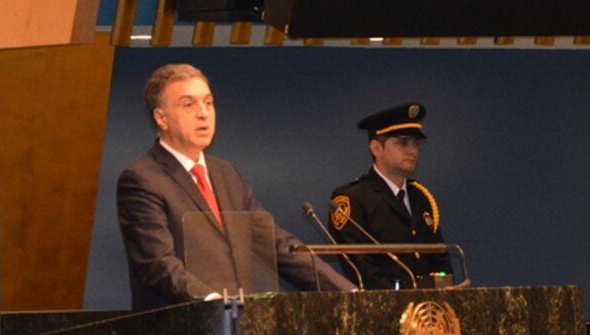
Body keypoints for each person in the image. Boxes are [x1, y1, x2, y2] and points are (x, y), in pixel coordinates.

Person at [117, 63, 356, 310]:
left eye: (208, 103)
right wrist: (212, 302)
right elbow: (158, 263)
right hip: (183, 324)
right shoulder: (142, 179)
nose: (203, 113)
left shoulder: (227, 174)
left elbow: (276, 245)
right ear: (161, 118)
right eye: (189, 105)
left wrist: (348, 293)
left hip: (238, 323)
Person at [328, 103, 452, 289]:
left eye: (415, 143)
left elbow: (440, 259)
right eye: (403, 143)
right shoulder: (353, 199)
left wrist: (444, 289)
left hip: (428, 306)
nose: (412, 150)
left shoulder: (421, 197)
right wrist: (399, 299)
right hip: (382, 304)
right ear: (376, 148)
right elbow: (361, 269)